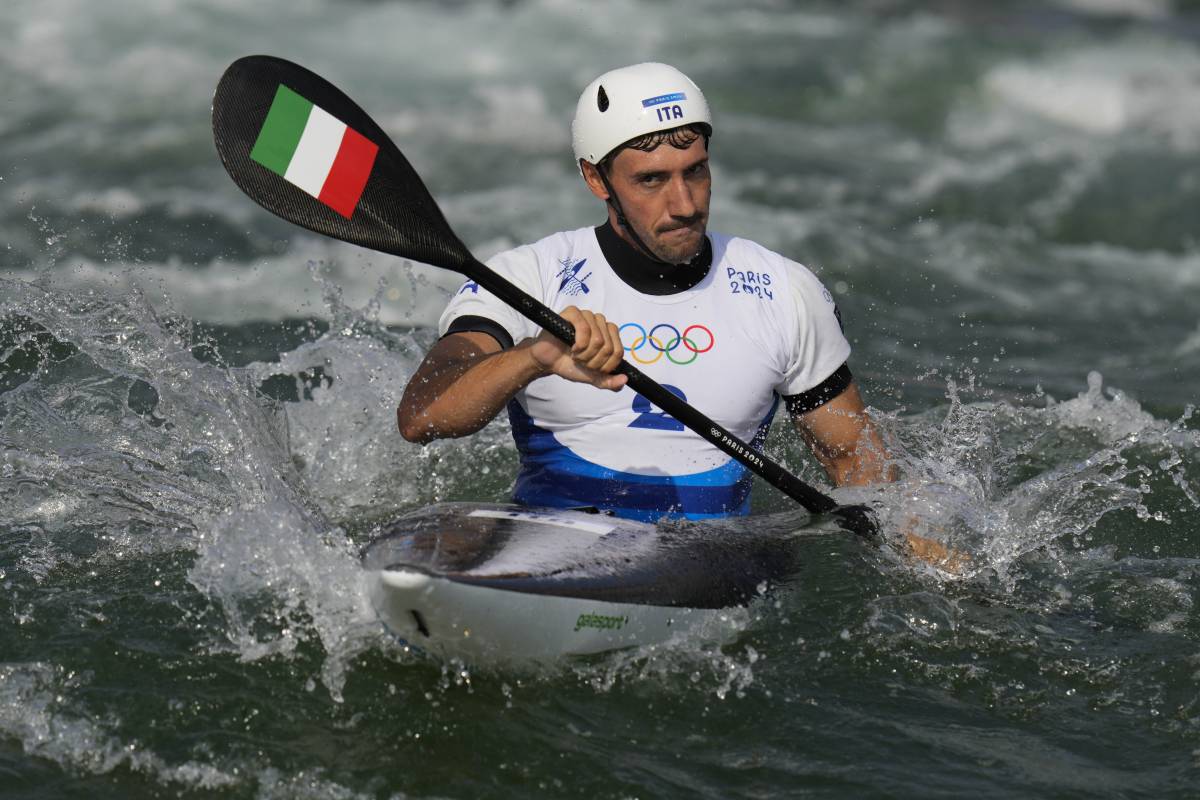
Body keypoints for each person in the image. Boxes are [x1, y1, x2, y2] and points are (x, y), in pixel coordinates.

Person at [397, 62, 892, 526]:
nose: (683, 205)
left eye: (695, 171)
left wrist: (934, 564)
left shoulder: (784, 291)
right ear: (596, 179)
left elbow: (858, 466)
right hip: (551, 548)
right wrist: (534, 356)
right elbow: (421, 416)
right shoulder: (528, 279)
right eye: (651, 180)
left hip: (719, 561)